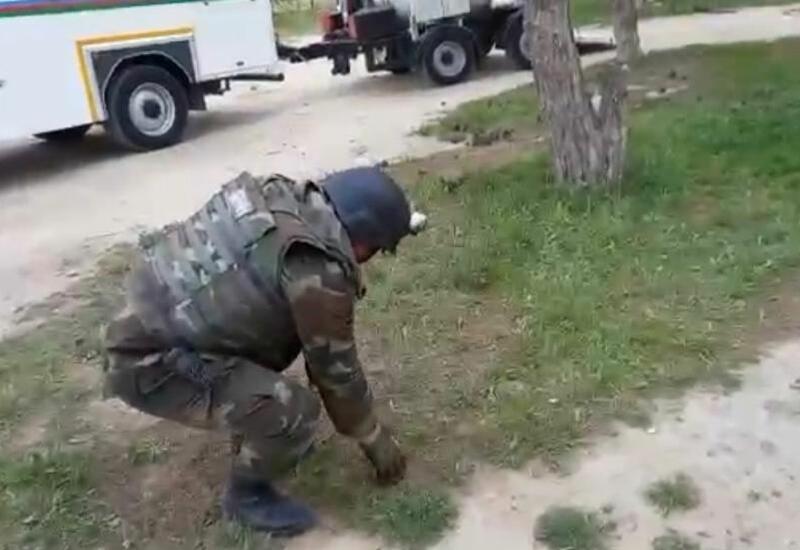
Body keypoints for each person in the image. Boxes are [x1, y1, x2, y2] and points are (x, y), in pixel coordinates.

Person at [102, 167, 427, 537]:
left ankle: (254, 427)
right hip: (149, 363)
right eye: (375, 249)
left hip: (144, 320)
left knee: (270, 351)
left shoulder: (280, 196)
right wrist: (375, 441)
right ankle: (247, 496)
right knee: (294, 412)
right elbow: (336, 374)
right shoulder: (315, 269)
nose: (370, 258)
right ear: (362, 239)